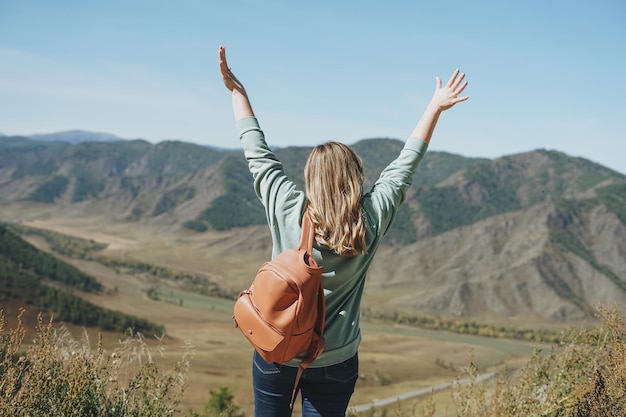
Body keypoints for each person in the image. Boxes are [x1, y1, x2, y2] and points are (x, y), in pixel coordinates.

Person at [219, 45, 468, 417]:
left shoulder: (287, 205)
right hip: (335, 361)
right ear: (354, 179)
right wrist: (434, 107)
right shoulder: (370, 220)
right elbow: (404, 167)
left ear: (310, 179)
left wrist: (238, 92)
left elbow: (257, 154)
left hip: (276, 348)